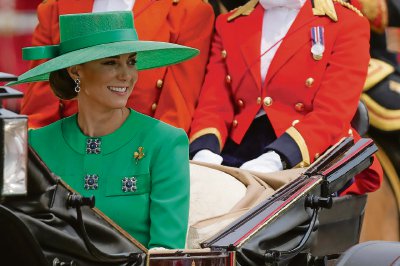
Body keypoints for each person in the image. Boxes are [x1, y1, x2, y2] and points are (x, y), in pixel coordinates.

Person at [10, 11, 197, 249]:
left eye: (131, 61)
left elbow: (166, 253)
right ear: (76, 71)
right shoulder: (32, 146)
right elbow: (13, 240)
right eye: (110, 62)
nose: (126, 75)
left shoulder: (165, 142)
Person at [189, 0, 382, 195]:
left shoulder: (346, 22)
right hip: (237, 150)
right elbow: (214, 104)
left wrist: (278, 158)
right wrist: (204, 152)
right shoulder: (230, 23)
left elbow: (332, 112)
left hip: (308, 151)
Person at [20, 0, 214, 133]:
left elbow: (174, 113)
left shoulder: (189, 10)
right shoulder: (54, 7)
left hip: (139, 156)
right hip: (63, 158)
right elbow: (39, 114)